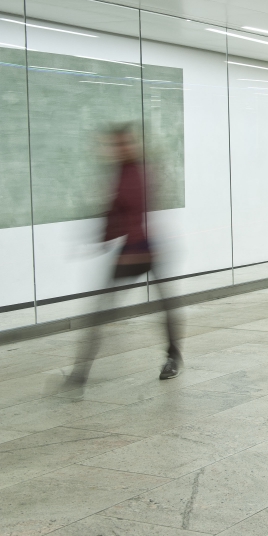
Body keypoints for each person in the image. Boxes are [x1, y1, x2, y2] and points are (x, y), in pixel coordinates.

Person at [67, 125, 182, 386]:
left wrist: (111, 236)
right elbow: (114, 210)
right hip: (131, 249)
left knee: (164, 305)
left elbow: (133, 209)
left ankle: (173, 357)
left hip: (147, 248)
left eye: (122, 144)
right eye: (114, 145)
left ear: (131, 144)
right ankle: (80, 371)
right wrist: (101, 237)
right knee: (101, 310)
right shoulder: (120, 172)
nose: (117, 149)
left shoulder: (139, 172)